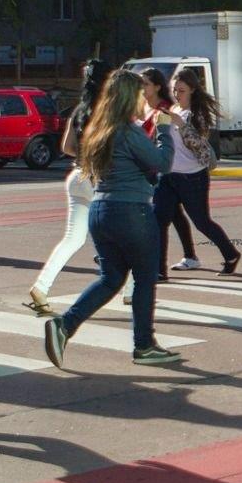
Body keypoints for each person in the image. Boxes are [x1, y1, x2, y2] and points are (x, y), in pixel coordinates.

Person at [44, 69, 179, 367]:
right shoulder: (127, 131)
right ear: (131, 97)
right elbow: (162, 163)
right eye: (140, 94)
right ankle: (144, 345)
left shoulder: (97, 130)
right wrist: (165, 130)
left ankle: (65, 325)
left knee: (111, 278)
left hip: (100, 211)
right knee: (145, 277)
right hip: (132, 211)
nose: (143, 99)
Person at [26, 59, 110, 316]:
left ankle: (41, 287)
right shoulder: (108, 111)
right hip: (100, 180)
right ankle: (130, 291)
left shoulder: (79, 110)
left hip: (76, 176)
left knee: (72, 239)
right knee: (118, 239)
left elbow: (66, 148)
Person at [152, 68, 240, 280]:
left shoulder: (197, 113)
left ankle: (231, 254)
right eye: (174, 89)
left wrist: (180, 125)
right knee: (158, 220)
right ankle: (158, 270)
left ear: (192, 90)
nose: (177, 94)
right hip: (168, 176)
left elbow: (200, 146)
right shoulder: (173, 109)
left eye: (181, 90)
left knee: (201, 221)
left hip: (192, 177)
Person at [139, 68, 199, 273]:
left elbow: (153, 137)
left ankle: (159, 267)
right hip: (160, 171)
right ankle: (183, 259)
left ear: (157, 86)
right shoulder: (144, 107)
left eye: (145, 83)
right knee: (169, 216)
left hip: (169, 169)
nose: (142, 88)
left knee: (194, 220)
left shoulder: (165, 109)